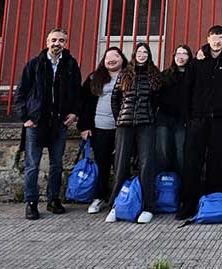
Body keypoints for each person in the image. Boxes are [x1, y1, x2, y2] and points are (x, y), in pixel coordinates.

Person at [14, 28, 81, 220]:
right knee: (32, 165)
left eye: (61, 40)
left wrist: (75, 113)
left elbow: (77, 92)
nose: (57, 43)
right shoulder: (34, 64)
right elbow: (21, 93)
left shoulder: (70, 64)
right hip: (36, 123)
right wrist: (25, 117)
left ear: (66, 43)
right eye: (53, 40)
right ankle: (31, 202)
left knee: (57, 164)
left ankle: (53, 199)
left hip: (58, 123)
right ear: (46, 41)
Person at [178, 26, 222, 220]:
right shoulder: (198, 62)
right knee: (192, 163)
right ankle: (189, 204)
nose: (217, 41)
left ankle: (214, 204)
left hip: (221, 120)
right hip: (198, 119)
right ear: (208, 38)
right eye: (214, 37)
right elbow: (186, 91)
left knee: (218, 163)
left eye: (221, 37)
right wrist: (188, 118)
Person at [105, 42, 161, 224]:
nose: (142, 55)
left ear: (149, 55)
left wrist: (150, 116)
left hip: (146, 124)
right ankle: (115, 205)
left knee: (146, 165)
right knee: (121, 164)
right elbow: (115, 99)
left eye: (145, 52)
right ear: (134, 54)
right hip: (125, 125)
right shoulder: (125, 74)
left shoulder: (154, 76)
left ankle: (147, 206)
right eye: (139, 52)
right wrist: (120, 117)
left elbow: (157, 101)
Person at [79, 46, 128, 214]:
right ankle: (99, 197)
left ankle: (119, 198)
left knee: (121, 165)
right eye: (108, 57)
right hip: (100, 128)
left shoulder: (128, 77)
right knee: (102, 164)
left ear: (122, 59)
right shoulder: (95, 78)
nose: (111, 59)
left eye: (115, 56)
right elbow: (84, 104)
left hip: (122, 129)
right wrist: (84, 127)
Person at [156, 44, 191, 175]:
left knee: (181, 153)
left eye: (184, 54)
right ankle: (162, 185)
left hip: (183, 120)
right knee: (162, 152)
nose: (181, 57)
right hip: (164, 118)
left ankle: (180, 186)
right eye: (178, 54)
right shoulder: (164, 74)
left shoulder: (193, 75)